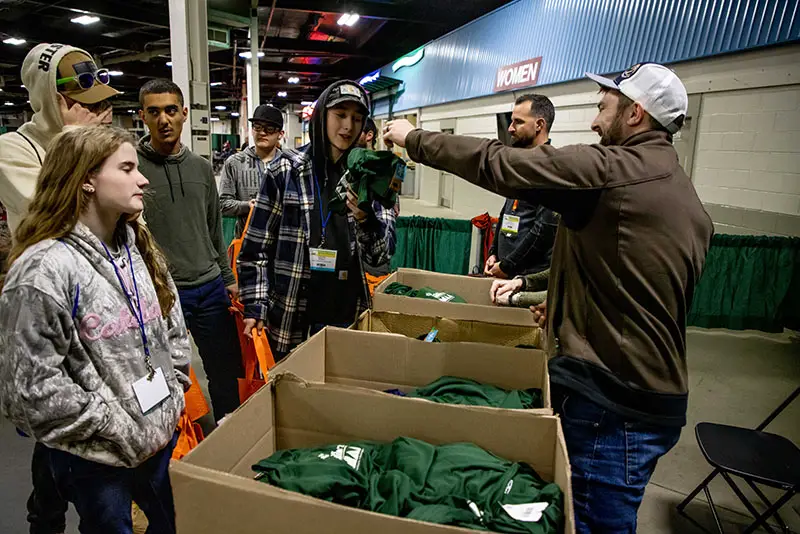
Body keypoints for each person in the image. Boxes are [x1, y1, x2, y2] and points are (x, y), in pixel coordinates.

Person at [384, 62, 714, 533]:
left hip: (612, 404)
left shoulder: (614, 171)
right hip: (647, 397)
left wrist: (412, 138)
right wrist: (564, 302)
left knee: (594, 522)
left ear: (636, 113)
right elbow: (638, 282)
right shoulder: (680, 191)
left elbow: (498, 162)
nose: (597, 122)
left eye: (604, 108)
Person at [0, 126, 191, 534]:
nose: (142, 179)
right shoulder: (44, 269)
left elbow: (169, 317)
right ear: (86, 179)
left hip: (158, 440)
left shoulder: (136, 243)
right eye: (126, 168)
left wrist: (175, 388)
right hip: (99, 456)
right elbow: (29, 390)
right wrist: (114, 427)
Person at [0, 42, 118, 534]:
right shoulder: (14, 149)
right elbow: (64, 218)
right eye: (84, 104)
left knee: (103, 426)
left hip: (100, 308)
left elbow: (124, 214)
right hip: (49, 315)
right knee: (55, 432)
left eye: (101, 104)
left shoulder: (99, 144)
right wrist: (79, 145)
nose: (99, 114)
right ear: (51, 100)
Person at [238, 80, 396, 360]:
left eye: (357, 118)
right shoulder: (285, 170)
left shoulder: (373, 177)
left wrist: (367, 221)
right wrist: (255, 305)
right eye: (340, 115)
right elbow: (255, 249)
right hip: (289, 315)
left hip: (346, 314)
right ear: (322, 115)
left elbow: (380, 257)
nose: (348, 126)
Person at [137, 79, 243, 422]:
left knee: (225, 366)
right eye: (154, 112)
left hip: (210, 287)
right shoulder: (132, 169)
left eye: (170, 110)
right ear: (142, 116)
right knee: (161, 373)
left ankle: (228, 427)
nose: (163, 120)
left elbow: (213, 228)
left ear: (184, 114)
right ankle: (172, 438)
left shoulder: (200, 168)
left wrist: (228, 279)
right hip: (162, 292)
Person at [485, 94, 559, 279]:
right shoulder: (522, 163)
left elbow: (543, 231)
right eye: (511, 121)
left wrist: (509, 265)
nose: (510, 129)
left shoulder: (550, 169)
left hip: (527, 276)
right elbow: (506, 212)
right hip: (505, 268)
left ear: (539, 125)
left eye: (518, 122)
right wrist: (494, 252)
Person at [220, 104, 284, 236]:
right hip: (246, 242)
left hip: (281, 244)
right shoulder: (235, 163)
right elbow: (222, 205)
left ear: (280, 134)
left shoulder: (289, 164)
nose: (262, 132)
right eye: (257, 127)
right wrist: (247, 206)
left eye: (270, 129)